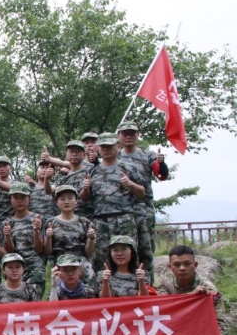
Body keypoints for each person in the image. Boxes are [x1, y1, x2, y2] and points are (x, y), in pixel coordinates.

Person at [155, 245, 235, 335]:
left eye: (187, 264)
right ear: (170, 267)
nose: (182, 268)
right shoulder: (163, 283)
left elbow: (218, 323)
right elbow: (162, 308)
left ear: (195, 265)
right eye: (177, 264)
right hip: (170, 331)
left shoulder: (208, 289)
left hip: (197, 334)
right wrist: (191, 297)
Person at [81, 133, 145, 271]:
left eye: (109, 146)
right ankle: (102, 284)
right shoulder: (92, 171)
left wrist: (130, 184)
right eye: (103, 147)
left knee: (128, 258)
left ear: (118, 147)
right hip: (101, 221)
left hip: (124, 219)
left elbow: (142, 193)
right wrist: (85, 189)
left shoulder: (129, 168)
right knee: (100, 259)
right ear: (99, 149)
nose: (106, 149)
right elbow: (85, 199)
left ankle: (130, 283)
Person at [117, 121, 168, 282]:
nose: (128, 137)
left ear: (138, 135)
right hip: (121, 209)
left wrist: (161, 163)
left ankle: (148, 285)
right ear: (119, 136)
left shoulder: (148, 155)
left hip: (143, 207)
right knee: (123, 249)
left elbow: (161, 174)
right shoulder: (115, 156)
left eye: (132, 133)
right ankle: (126, 285)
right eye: (125, 133)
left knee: (145, 249)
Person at [43, 185, 96, 284]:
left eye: (70, 198)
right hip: (60, 263)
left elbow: (88, 253)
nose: (66, 202)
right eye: (62, 199)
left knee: (88, 289)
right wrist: (49, 237)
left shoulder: (84, 222)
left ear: (76, 201)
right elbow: (47, 252)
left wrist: (91, 238)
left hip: (80, 263)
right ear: (57, 202)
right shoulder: (50, 223)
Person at [2, 182, 46, 295]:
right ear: (11, 199)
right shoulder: (8, 222)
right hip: (15, 269)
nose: (19, 201)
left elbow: (41, 249)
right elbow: (10, 251)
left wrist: (36, 232)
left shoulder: (38, 219)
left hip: (35, 267)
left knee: (34, 300)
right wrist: (8, 236)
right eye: (16, 197)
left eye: (23, 197)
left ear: (29, 199)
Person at [43, 140, 93, 219]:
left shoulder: (91, 171)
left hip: (87, 217)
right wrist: (47, 179)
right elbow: (49, 190)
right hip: (68, 219)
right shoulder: (64, 178)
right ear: (66, 154)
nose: (74, 154)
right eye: (71, 151)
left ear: (84, 154)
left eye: (78, 151)